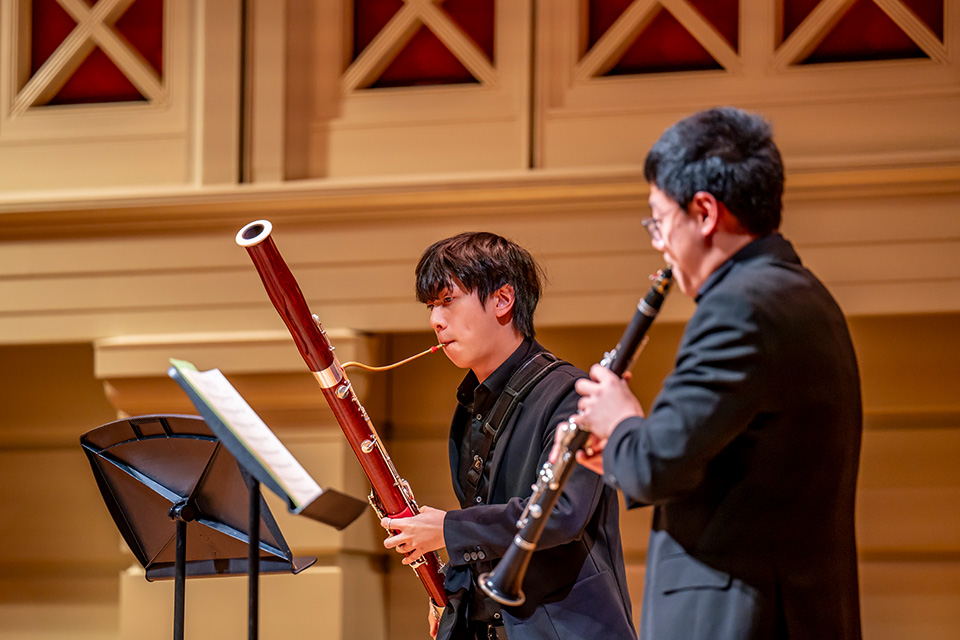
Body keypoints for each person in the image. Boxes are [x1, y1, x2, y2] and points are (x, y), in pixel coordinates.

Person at [569, 107, 863, 639]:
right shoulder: (807, 297)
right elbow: (721, 460)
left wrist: (620, 419)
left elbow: (657, 464)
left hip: (737, 620)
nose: (658, 241)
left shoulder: (738, 307)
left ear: (704, 212)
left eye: (659, 220)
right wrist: (617, 450)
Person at [382, 232, 635, 640]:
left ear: (502, 300)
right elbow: (489, 532)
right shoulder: (470, 407)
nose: (435, 320)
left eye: (448, 300)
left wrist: (448, 529)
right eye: (431, 306)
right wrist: (453, 595)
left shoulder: (571, 395)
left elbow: (561, 514)